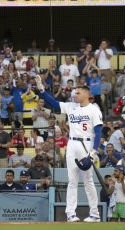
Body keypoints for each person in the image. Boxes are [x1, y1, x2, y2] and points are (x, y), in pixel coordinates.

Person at [36, 75, 103, 222]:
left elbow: (98, 133)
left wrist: (93, 153)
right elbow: (52, 102)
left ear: (86, 94)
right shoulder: (71, 106)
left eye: (78, 93)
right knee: (72, 181)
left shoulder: (94, 110)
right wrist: (41, 89)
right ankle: (70, 214)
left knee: (88, 181)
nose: (75, 95)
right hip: (72, 144)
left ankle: (95, 214)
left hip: (87, 144)